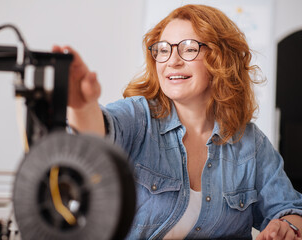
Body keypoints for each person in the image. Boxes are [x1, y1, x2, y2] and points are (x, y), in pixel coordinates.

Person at [53, 4, 302, 240]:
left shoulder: (251, 143)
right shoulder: (138, 117)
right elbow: (97, 135)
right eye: (163, 49)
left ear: (221, 59)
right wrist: (81, 105)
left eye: (189, 48)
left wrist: (286, 226)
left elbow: (290, 209)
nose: (172, 60)